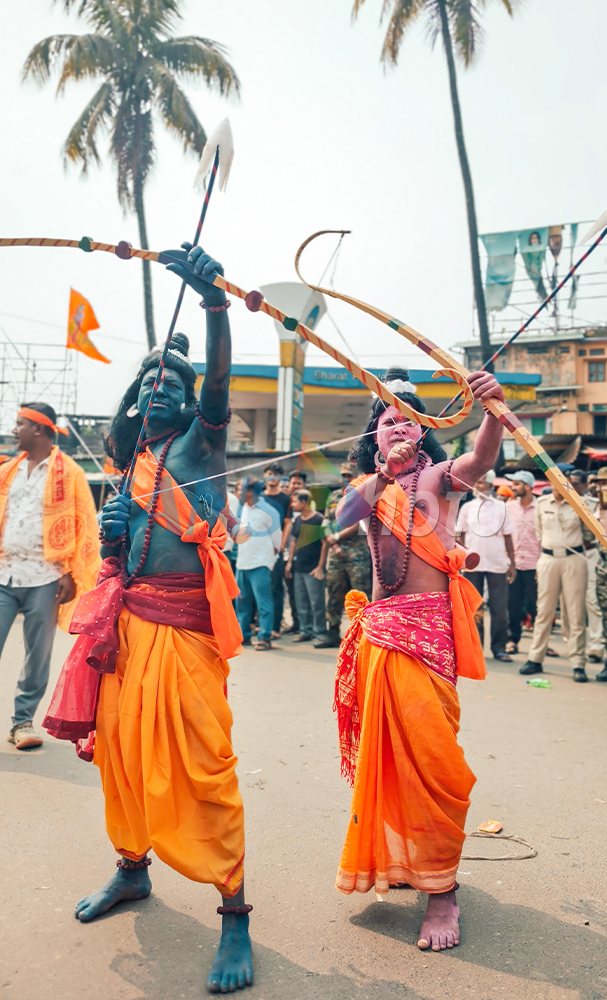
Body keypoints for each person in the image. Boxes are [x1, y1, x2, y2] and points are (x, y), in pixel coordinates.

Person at [43, 247, 253, 993]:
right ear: (135, 401)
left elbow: (219, 384)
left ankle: (234, 913)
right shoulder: (129, 463)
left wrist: (214, 304)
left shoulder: (201, 444)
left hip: (186, 630)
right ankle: (133, 870)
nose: (161, 388)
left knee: (201, 768)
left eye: (175, 383)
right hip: (126, 632)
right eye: (150, 382)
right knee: (125, 760)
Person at [333, 365, 503, 952]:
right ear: (373, 437)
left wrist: (491, 411)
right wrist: (382, 474)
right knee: (389, 763)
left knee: (433, 764)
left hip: (429, 634)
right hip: (381, 634)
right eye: (387, 421)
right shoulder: (369, 488)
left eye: (408, 418)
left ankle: (443, 892)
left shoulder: (437, 477)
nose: (398, 426)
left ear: (427, 433)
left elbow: (479, 462)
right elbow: (340, 521)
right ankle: (410, 862)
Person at [1, 402, 99, 749]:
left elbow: (84, 523)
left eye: (20, 424)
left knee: (37, 654)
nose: (15, 430)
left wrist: (71, 572)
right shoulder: (7, 469)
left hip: (45, 578)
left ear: (39, 429)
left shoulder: (70, 472)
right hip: (4, 573)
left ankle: (22, 723)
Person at [520, 480, 588, 682]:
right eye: (556, 483)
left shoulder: (580, 503)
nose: (560, 487)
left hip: (573, 558)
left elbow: (587, 534)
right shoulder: (542, 503)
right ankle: (535, 658)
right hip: (548, 558)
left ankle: (578, 663)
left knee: (575, 613)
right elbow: (539, 532)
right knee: (543, 611)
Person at [456, 470, 516, 662]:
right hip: (473, 565)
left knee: (499, 608)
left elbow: (508, 537)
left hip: (497, 563)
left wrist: (512, 564)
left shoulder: (501, 507)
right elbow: (461, 537)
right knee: (474, 608)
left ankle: (499, 648)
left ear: (490, 485)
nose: (478, 486)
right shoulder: (467, 508)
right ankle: (476, 649)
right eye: (476, 482)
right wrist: (459, 561)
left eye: (482, 483)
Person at [315, 462, 371, 649]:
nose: (346, 479)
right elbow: (325, 522)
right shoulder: (334, 497)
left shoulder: (363, 497)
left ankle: (363, 636)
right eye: (344, 475)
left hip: (358, 556)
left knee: (360, 595)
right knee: (333, 594)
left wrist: (336, 537)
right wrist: (334, 543)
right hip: (336, 555)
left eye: (350, 476)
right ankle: (333, 633)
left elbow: (361, 526)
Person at [234, 476, 281, 651]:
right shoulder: (240, 510)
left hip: (260, 563)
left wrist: (271, 561)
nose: (238, 492)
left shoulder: (268, 511)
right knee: (242, 602)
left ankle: (264, 637)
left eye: (240, 489)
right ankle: (244, 635)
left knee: (264, 603)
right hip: (242, 563)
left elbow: (277, 540)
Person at [503, 470, 541, 654]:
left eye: (516, 484)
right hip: (514, 565)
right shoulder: (509, 508)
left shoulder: (540, 507)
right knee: (513, 604)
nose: (512, 487)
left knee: (538, 606)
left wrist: (542, 564)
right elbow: (506, 535)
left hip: (536, 565)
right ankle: (513, 640)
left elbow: (544, 537)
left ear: (527, 486)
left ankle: (542, 644)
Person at [569, 469, 603, 662]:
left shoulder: (595, 505)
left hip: (591, 554)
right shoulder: (565, 503)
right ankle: (573, 643)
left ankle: (596, 645)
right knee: (571, 603)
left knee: (592, 599)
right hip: (570, 556)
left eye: (575, 484)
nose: (595, 486)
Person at [285, 489, 327, 645]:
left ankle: (320, 632)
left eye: (295, 501)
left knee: (317, 602)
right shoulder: (297, 520)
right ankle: (305, 630)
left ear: (304, 502)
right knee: (301, 601)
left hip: (313, 568)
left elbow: (325, 544)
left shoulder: (318, 519)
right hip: (299, 567)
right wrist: (289, 562)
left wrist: (320, 567)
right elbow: (293, 541)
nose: (293, 505)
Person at [262, 462, 290, 637]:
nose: (272, 477)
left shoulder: (285, 498)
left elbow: (288, 524)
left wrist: (280, 546)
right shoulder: (258, 498)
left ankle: (275, 626)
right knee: (260, 586)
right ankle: (260, 624)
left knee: (275, 587)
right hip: (259, 547)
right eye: (269, 473)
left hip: (276, 549)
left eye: (276, 474)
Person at [281, 470, 308, 633]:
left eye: (299, 483)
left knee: (308, 593)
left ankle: (309, 626)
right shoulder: (286, 504)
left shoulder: (312, 505)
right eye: (293, 483)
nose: (295, 486)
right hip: (287, 555)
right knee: (292, 592)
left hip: (307, 555)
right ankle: (297, 623)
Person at [592, 467, 607, 681]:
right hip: (603, 564)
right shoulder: (595, 507)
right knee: (605, 615)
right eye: (602, 483)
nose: (603, 486)